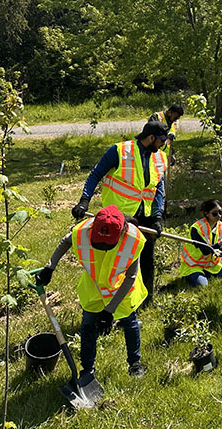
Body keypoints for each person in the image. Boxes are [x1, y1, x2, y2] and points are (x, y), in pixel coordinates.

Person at [35, 205, 149, 378]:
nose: (102, 247)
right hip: (94, 287)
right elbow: (66, 241)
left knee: (129, 322)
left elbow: (130, 277)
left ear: (120, 234)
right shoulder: (84, 230)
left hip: (120, 289)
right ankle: (87, 369)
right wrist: (49, 267)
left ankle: (135, 363)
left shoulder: (133, 240)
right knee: (88, 326)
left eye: (106, 245)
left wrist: (109, 311)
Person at [71, 121, 168, 306]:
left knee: (147, 259)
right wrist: (84, 201)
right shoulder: (120, 151)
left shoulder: (159, 158)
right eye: (162, 140)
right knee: (119, 262)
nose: (164, 144)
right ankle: (112, 303)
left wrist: (157, 216)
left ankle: (146, 301)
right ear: (151, 138)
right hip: (118, 218)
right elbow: (95, 175)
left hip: (145, 216)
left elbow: (158, 189)